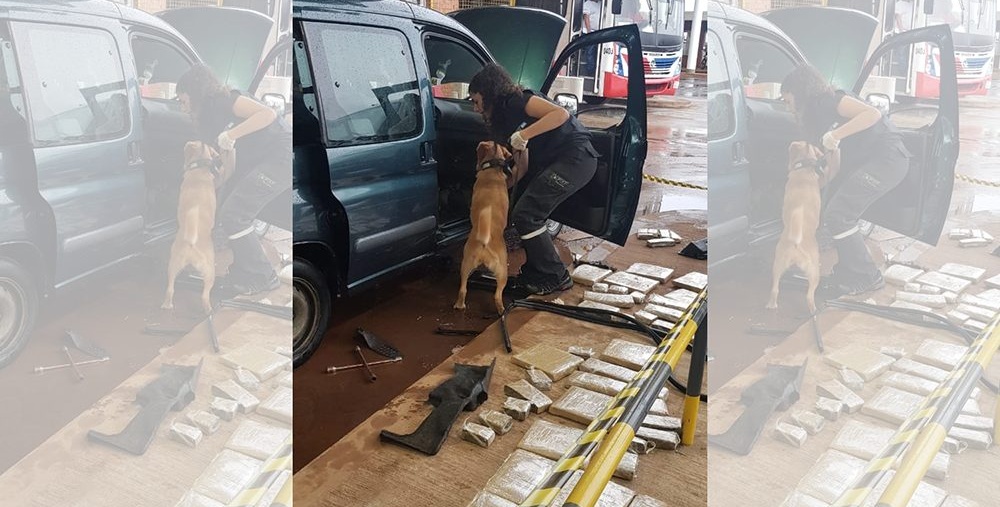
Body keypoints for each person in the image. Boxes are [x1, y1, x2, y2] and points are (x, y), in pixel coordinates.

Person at [468, 63, 600, 296]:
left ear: (488, 94)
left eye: (476, 101)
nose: (475, 108)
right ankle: (537, 271)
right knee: (521, 211)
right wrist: (501, 187)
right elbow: (523, 166)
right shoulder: (505, 120)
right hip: (561, 161)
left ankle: (556, 275)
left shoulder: (517, 101)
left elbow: (560, 114)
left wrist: (525, 134)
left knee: (527, 214)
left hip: (575, 158)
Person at [780, 64, 911, 297]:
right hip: (873, 162)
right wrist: (814, 190)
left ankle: (868, 276)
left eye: (789, 101)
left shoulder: (830, 100)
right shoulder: (817, 120)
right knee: (833, 210)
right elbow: (834, 166)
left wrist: (836, 134)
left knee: (839, 215)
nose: (789, 108)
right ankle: (850, 271)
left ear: (800, 92)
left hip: (887, 160)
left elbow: (873, 114)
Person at [175, 64, 291, 297]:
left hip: (281, 155)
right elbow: (229, 164)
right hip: (259, 160)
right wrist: (215, 186)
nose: (182, 106)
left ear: (194, 92)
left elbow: (267, 114)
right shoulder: (207, 123)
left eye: (183, 100)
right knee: (226, 207)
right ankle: (244, 271)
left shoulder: (224, 100)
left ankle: (263, 276)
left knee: (234, 214)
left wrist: (232, 134)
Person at [582, 0, 602, 75]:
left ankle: (596, 70)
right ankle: (590, 70)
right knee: (590, 51)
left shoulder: (600, 4)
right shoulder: (587, 4)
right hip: (590, 32)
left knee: (597, 52)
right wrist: (589, 31)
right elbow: (586, 17)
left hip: (599, 32)